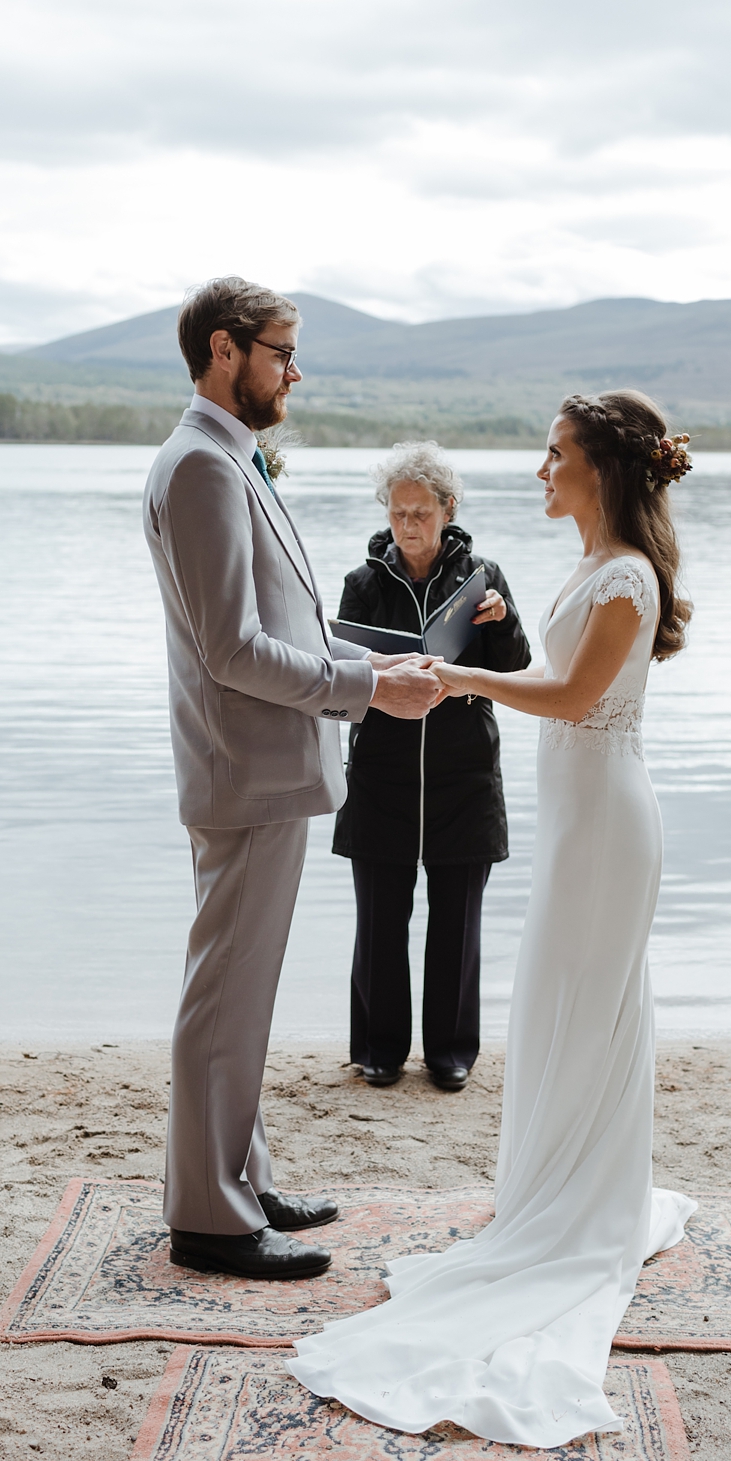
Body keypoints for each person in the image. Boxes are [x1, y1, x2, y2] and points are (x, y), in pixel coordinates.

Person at [288, 390, 697, 1444]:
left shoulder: (626, 577)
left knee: (588, 1003)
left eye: (555, 453)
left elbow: (566, 697)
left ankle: (582, 1211)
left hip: (607, 820)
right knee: (562, 1005)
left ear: (602, 466)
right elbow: (557, 686)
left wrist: (460, 673)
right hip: (577, 819)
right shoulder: (590, 564)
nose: (541, 469)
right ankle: (556, 1190)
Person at [142, 276, 441, 1282]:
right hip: (245, 767)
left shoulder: (229, 458)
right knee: (224, 989)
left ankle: (241, 1179)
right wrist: (363, 689)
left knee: (240, 988)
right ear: (225, 351)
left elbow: (282, 622)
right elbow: (232, 649)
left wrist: (380, 664)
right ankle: (209, 1218)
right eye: (280, 350)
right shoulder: (200, 469)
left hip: (262, 765)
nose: (294, 369)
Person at [332, 442, 531, 1091]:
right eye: (398, 513)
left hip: (463, 780)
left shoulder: (482, 577)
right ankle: (380, 1050)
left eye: (420, 511)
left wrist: (498, 625)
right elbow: (339, 676)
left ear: (448, 508)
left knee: (457, 927)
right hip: (382, 779)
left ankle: (450, 1053)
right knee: (380, 926)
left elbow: (517, 669)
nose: (408, 524)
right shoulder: (363, 584)